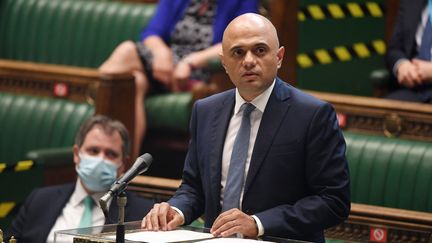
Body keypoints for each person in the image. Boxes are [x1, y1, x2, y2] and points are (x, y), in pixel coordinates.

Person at [141, 13, 350, 243]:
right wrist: (176, 210)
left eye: (259, 50)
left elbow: (333, 201)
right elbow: (194, 188)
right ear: (224, 62)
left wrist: (258, 224)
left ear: (279, 57)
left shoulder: (312, 115)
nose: (248, 60)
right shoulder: (205, 111)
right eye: (238, 52)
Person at [99, 0, 258, 156]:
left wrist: (190, 62)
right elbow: (152, 33)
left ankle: (96, 92)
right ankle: (126, 169)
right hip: (165, 67)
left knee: (127, 50)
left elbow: (239, 41)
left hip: (203, 71)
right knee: (135, 81)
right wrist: (161, 52)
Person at [5, 115, 153, 243]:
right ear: (76, 154)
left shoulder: (143, 213)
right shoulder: (39, 200)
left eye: (110, 154)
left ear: (122, 165)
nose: (100, 160)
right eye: (93, 151)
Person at [386, 0, 432, 103]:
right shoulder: (411, 3)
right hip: (414, 88)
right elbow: (394, 50)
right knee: (380, 114)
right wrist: (401, 65)